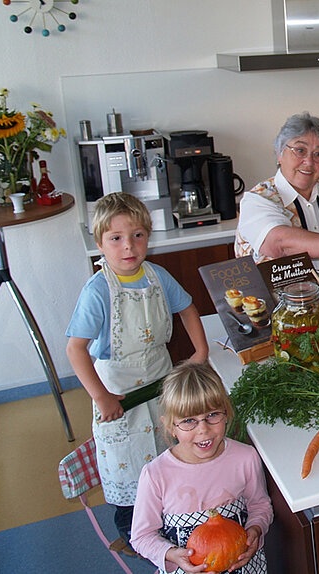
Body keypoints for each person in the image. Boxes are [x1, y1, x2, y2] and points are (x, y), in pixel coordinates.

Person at [66, 192, 209, 553]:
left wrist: (201, 352)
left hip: (161, 387)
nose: (128, 247)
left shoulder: (158, 276)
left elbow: (188, 308)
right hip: (119, 396)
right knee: (127, 468)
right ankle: (133, 536)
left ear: (148, 236)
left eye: (137, 236)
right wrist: (101, 397)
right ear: (100, 243)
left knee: (168, 454)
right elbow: (75, 349)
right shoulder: (98, 291)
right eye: (116, 238)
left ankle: (170, 519)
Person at [131, 362, 273, 573]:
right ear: (171, 426)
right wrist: (171, 554)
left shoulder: (245, 458)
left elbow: (260, 506)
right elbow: (142, 536)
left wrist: (255, 529)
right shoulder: (156, 475)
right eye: (189, 421)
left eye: (213, 415)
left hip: (243, 566)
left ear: (227, 413)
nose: (203, 430)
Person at [235, 112, 319, 271]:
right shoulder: (257, 200)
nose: (309, 162)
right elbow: (278, 243)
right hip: (275, 296)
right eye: (300, 150)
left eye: (318, 154)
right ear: (279, 154)